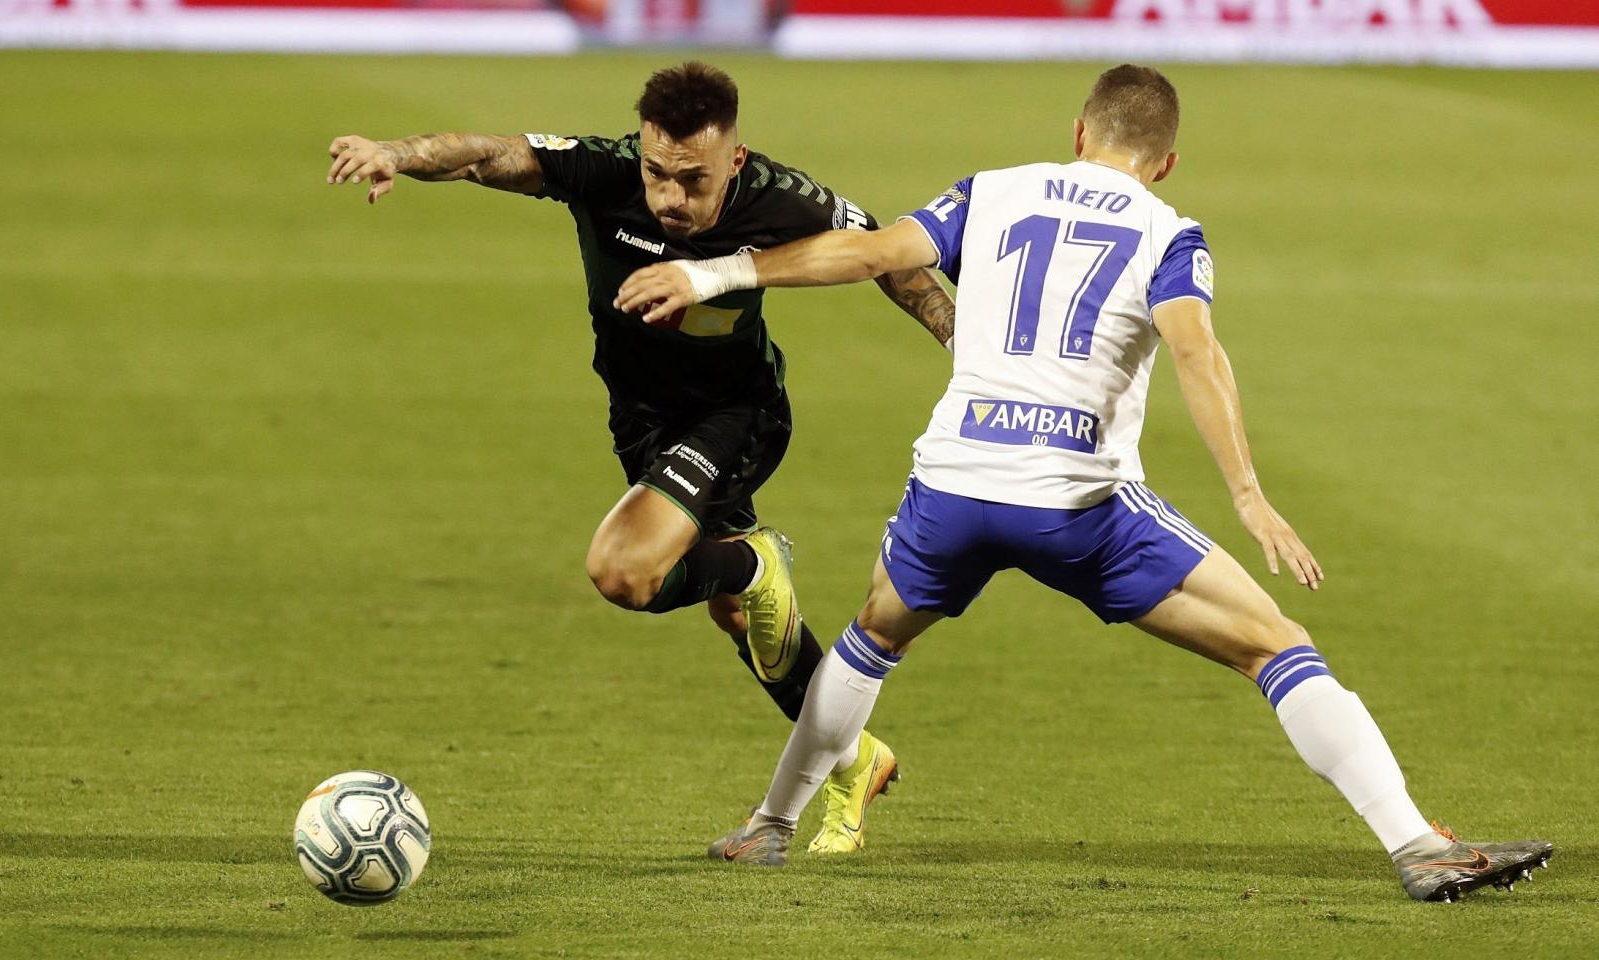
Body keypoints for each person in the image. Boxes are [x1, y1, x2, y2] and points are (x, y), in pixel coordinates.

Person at [614, 64, 1553, 902]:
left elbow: (866, 252)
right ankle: (1418, 845)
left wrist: (715, 274)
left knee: (871, 638)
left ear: (1077, 133)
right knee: (1275, 645)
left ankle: (770, 826)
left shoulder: (994, 190)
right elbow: (1198, 353)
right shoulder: (1169, 231)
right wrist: (1249, 495)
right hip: (1077, 507)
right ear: (1167, 162)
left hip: (954, 489)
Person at [325, 62, 954, 852]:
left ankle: (756, 564)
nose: (670, 198)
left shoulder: (777, 197)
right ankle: (853, 758)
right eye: (659, 173)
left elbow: (888, 256)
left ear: (734, 159)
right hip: (644, 425)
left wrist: (958, 336)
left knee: (624, 571)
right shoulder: (607, 171)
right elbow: (488, 154)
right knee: (737, 615)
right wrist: (396, 153)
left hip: (737, 417)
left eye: (693, 180)